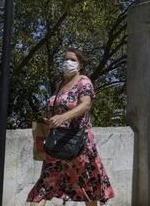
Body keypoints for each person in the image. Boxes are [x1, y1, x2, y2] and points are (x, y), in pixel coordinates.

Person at [27, 49, 115, 205]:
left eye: (72, 59)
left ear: (80, 64)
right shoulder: (60, 84)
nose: (67, 62)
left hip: (78, 143)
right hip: (57, 142)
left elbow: (85, 104)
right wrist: (50, 121)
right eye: (65, 59)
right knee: (45, 184)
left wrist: (63, 118)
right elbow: (57, 108)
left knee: (87, 186)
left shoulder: (84, 81)